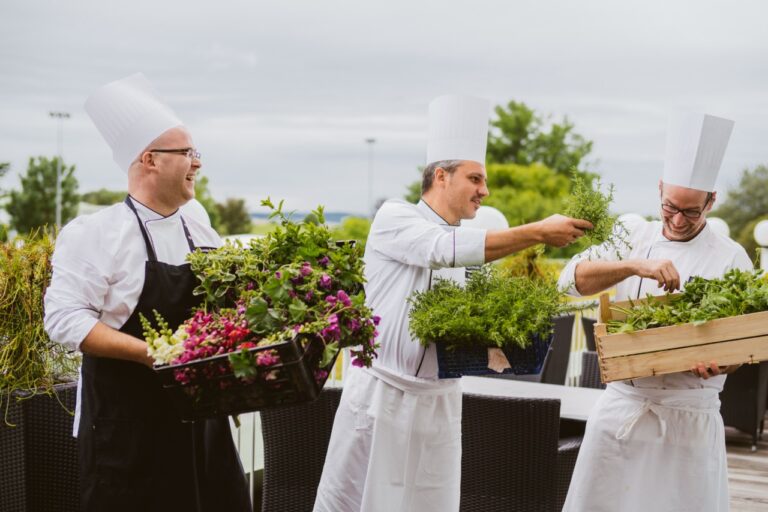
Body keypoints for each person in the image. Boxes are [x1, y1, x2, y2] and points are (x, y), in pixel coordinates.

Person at [314, 94, 593, 512]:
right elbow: (443, 248)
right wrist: (537, 230)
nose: (485, 190)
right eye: (475, 179)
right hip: (383, 398)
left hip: (440, 401)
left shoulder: (466, 251)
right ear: (441, 177)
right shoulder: (396, 217)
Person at [44, 73, 251, 512]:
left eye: (197, 153)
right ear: (149, 159)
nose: (197, 163)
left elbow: (224, 299)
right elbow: (64, 319)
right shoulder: (95, 233)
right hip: (129, 428)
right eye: (187, 153)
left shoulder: (196, 222)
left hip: (202, 420)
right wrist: (152, 352)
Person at [559, 112, 753, 512]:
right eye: (670, 207)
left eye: (692, 212)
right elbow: (568, 280)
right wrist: (633, 266)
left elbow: (739, 346)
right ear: (660, 189)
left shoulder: (732, 258)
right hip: (622, 413)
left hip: (689, 418)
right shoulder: (633, 234)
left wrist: (721, 365)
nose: (678, 220)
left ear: (711, 202)